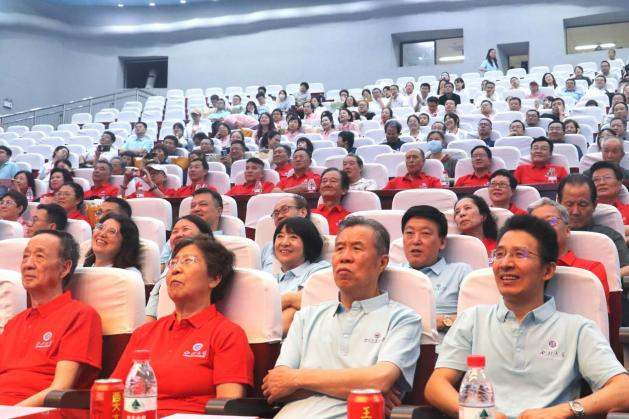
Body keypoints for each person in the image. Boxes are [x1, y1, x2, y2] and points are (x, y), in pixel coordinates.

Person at [425, 214, 629, 419]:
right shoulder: (473, 319)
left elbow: (623, 390)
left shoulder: (577, 329)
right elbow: (436, 385)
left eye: (519, 254)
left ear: (547, 270)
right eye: (500, 254)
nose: (505, 263)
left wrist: (563, 411)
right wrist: (480, 415)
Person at [262, 217, 421, 419]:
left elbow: (379, 380)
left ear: (382, 262)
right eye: (339, 249)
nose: (345, 257)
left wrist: (296, 379)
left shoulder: (403, 319)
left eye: (356, 248)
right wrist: (360, 385)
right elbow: (277, 386)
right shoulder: (306, 316)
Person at [112, 235, 254, 415]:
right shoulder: (144, 333)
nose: (176, 269)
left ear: (214, 278)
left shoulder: (227, 334)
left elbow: (228, 408)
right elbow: (115, 392)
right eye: (173, 263)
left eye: (188, 261)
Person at [0, 230, 102, 405]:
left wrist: (10, 413)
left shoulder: (80, 315)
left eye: (39, 257)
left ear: (64, 268)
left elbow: (60, 388)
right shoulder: (13, 324)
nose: (28, 264)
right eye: (25, 256)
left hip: (39, 411)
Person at [528, 198, 610, 309]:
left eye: (551, 221)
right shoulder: (522, 266)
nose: (543, 228)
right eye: (535, 224)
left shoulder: (591, 269)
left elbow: (597, 314)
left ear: (567, 230)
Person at [402, 206, 472, 334]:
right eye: (409, 233)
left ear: (442, 242)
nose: (416, 241)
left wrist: (438, 322)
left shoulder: (460, 272)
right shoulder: (391, 273)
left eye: (425, 233)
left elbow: (475, 319)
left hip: (441, 345)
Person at [558, 174, 629, 277]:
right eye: (569, 204)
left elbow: (626, 268)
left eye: (582, 205)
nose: (575, 211)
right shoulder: (550, 232)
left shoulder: (610, 236)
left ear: (595, 204)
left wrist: (596, 279)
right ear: (559, 203)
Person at [273, 217, 330, 334]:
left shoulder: (320, 269)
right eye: (280, 236)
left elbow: (291, 316)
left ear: (308, 244)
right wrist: (290, 301)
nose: (284, 243)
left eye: (293, 237)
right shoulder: (269, 278)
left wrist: (287, 299)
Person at [260, 195, 311, 273]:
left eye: (285, 209)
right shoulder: (268, 246)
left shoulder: (314, 242)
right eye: (276, 213)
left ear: (302, 212)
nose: (279, 216)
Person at [590, 161, 629, 234]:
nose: (601, 183)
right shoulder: (587, 210)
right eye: (596, 179)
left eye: (607, 178)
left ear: (619, 183)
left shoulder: (628, 210)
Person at [312, 168, 351, 235]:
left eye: (333, 181)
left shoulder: (349, 218)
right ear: (320, 189)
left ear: (344, 190)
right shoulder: (309, 214)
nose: (327, 184)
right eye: (324, 181)